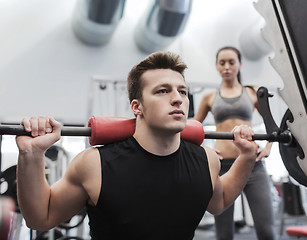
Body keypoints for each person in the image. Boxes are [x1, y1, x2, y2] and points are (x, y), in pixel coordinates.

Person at [15, 51, 258, 240]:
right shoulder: (94, 164)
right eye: (162, 91)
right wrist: (31, 154)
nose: (177, 98)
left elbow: (220, 201)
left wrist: (246, 157)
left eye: (182, 92)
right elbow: (41, 218)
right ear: (136, 107)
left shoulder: (206, 159)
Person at [194, 46, 276, 240]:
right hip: (222, 167)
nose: (227, 67)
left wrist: (268, 148)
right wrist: (204, 151)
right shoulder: (209, 97)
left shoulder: (252, 92)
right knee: (224, 234)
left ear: (240, 63)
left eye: (232, 62)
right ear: (217, 66)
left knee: (266, 230)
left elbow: (272, 124)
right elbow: (193, 129)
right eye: (222, 63)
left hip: (253, 166)